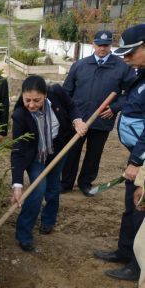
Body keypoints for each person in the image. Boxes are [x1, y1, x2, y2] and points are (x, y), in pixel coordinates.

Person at [11, 75, 87, 252]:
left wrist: (77, 120)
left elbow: (72, 106)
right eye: (27, 100)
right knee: (38, 189)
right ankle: (23, 234)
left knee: (53, 187)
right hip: (35, 155)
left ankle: (48, 221)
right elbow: (18, 151)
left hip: (58, 149)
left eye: (36, 100)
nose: (31, 105)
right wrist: (17, 185)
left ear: (45, 95)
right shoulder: (20, 115)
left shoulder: (57, 92)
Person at [94, 23, 145, 282]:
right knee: (130, 206)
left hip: (143, 159)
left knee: (140, 210)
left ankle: (137, 267)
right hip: (136, 155)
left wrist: (137, 161)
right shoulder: (141, 75)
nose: (125, 59)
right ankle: (124, 252)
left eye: (130, 53)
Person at [61, 30, 136, 197]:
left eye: (106, 45)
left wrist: (115, 107)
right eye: (99, 45)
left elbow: (130, 92)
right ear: (93, 44)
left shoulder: (122, 67)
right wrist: (72, 116)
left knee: (94, 154)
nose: (102, 48)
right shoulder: (79, 65)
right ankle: (66, 182)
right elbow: (67, 92)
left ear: (111, 45)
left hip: (102, 119)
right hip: (79, 118)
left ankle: (85, 183)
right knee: (72, 151)